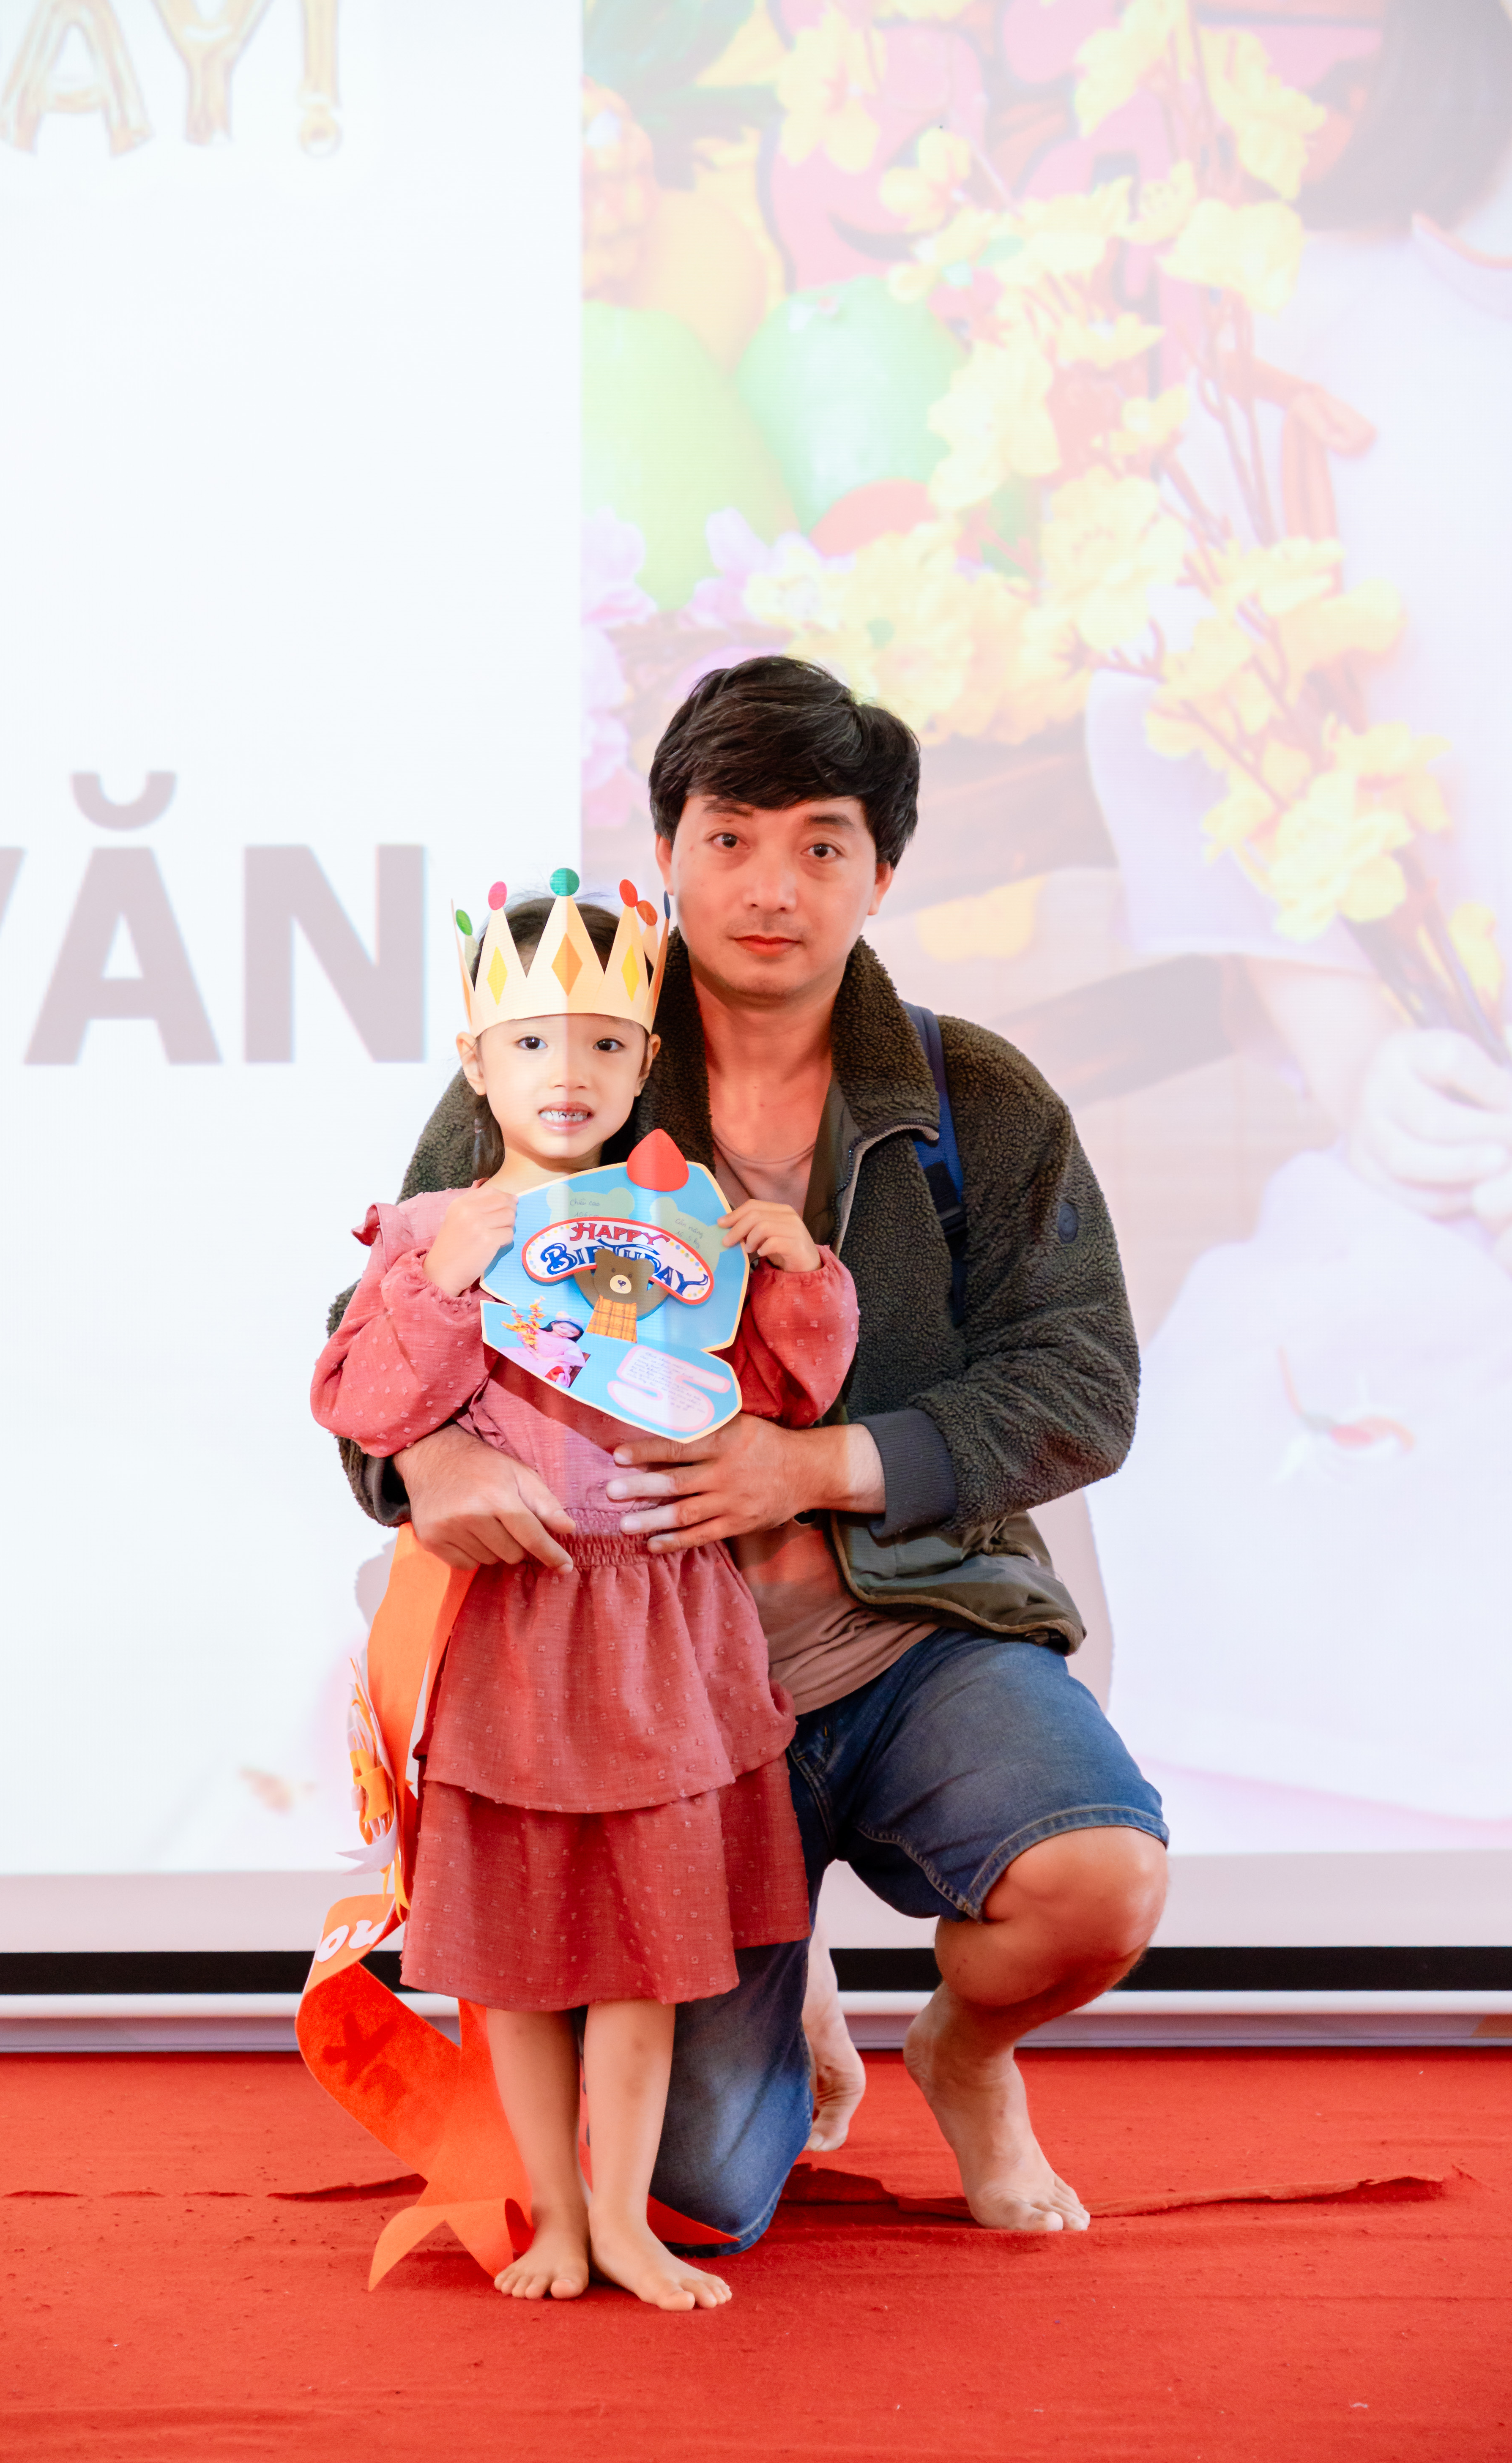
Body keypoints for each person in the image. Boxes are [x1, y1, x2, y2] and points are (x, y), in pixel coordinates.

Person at [327, 656, 1170, 2248]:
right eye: (730, 838)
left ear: (883, 871)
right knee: (693, 2195)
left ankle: (967, 2056)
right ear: (667, 855)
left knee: (1098, 1878)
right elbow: (385, 1313)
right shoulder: (564, 1053)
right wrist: (427, 1465)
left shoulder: (973, 1095)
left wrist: (819, 1464)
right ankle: (789, 1986)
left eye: (822, 843)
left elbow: (1085, 1377)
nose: (772, 886)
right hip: (645, 1689)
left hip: (907, 1634)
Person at [1083, 0, 1512, 1850]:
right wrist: (1370, 1064)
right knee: (1321, 1478)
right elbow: (1218, 745)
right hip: (1451, 1184)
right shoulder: (1299, 347)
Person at [312, 879, 859, 2308]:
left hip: (660, 1624)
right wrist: (442, 1277)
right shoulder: (429, 1226)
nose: (571, 1072)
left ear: (644, 1061)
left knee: (643, 1946)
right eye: (534, 1043)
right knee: (517, 1951)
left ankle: (622, 2218)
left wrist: (796, 1273)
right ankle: (554, 2213)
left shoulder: (688, 1217)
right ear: (476, 1060)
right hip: (507, 1629)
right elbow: (363, 1400)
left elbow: (781, 1388)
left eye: (607, 1044)